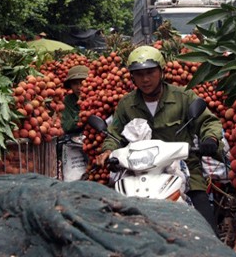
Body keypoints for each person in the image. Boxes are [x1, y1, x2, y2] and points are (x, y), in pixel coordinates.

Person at [95, 45, 223, 231]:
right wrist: (108, 150)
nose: (145, 79)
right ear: (132, 77)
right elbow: (114, 133)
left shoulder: (183, 97)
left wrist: (210, 139)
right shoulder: (126, 104)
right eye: (139, 74)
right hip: (139, 174)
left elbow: (208, 122)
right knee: (111, 225)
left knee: (207, 228)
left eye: (150, 72)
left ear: (161, 72)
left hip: (184, 171)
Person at [61, 65, 89, 135]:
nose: (79, 87)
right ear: (70, 85)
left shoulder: (98, 100)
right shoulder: (67, 101)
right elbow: (65, 126)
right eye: (75, 83)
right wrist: (82, 116)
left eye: (82, 83)